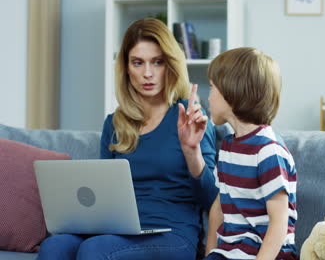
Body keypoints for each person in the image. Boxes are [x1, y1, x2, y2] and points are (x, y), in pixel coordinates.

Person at [36, 18, 218, 260]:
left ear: (170, 65)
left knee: (95, 250)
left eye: (157, 62)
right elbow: (101, 197)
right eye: (138, 62)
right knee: (54, 246)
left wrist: (191, 151)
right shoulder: (114, 123)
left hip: (173, 234)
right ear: (126, 67)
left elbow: (211, 198)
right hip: (119, 231)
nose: (148, 73)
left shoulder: (189, 115)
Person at [202, 47, 298, 260]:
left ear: (232, 92)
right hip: (230, 252)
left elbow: (279, 223)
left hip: (270, 254)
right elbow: (218, 208)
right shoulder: (228, 146)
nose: (207, 98)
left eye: (211, 88)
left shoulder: (268, 151)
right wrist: (209, 253)